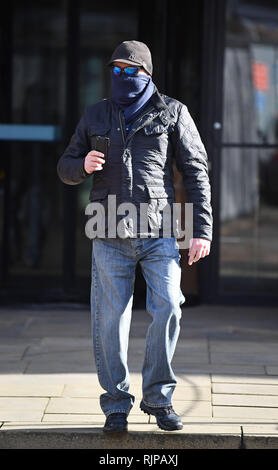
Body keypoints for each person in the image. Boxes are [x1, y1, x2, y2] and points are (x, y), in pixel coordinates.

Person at [57, 40, 212, 433]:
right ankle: (115, 405)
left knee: (169, 307)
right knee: (109, 321)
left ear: (146, 73)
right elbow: (65, 166)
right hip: (108, 228)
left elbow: (196, 172)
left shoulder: (173, 112)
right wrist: (82, 165)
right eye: (115, 70)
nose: (120, 77)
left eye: (128, 71)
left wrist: (200, 231)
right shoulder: (96, 114)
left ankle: (159, 399)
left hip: (160, 228)